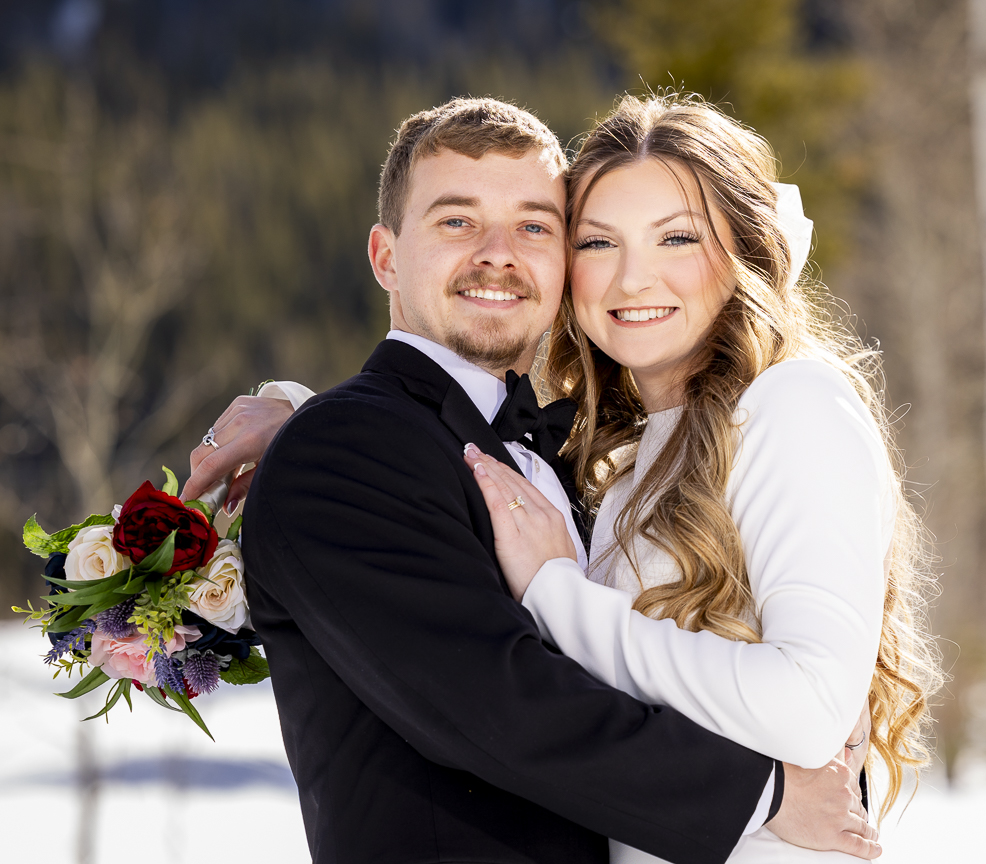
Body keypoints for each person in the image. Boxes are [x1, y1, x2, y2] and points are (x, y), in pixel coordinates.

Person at [183, 97, 882, 863]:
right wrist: (765, 795)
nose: (497, 254)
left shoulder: (618, 454)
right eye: (457, 222)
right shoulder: (355, 452)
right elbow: (493, 702)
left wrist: (555, 589)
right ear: (385, 257)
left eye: (535, 227)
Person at [459, 94, 942, 862]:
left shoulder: (794, 405)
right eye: (598, 243)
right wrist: (302, 417)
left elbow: (808, 708)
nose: (631, 281)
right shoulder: (625, 462)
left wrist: (559, 596)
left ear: (743, 252)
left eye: (676, 238)